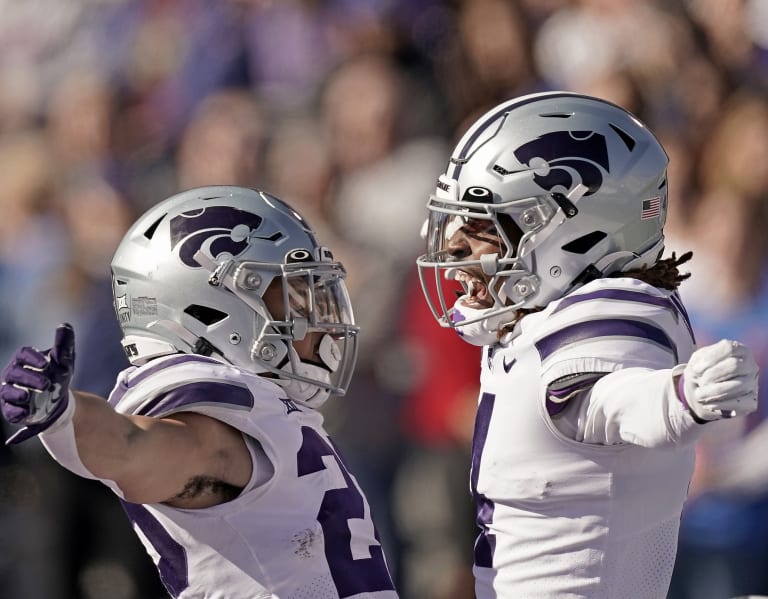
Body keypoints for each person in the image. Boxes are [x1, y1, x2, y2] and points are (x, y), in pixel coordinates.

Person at [415, 91, 760, 599]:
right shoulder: (534, 326)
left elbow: (611, 400)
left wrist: (679, 397)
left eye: (482, 225)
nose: (454, 246)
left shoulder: (604, 317)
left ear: (571, 231)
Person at [1, 186, 399, 599]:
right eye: (293, 294)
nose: (316, 315)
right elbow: (133, 446)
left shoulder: (270, 410)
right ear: (213, 307)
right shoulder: (217, 418)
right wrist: (66, 416)